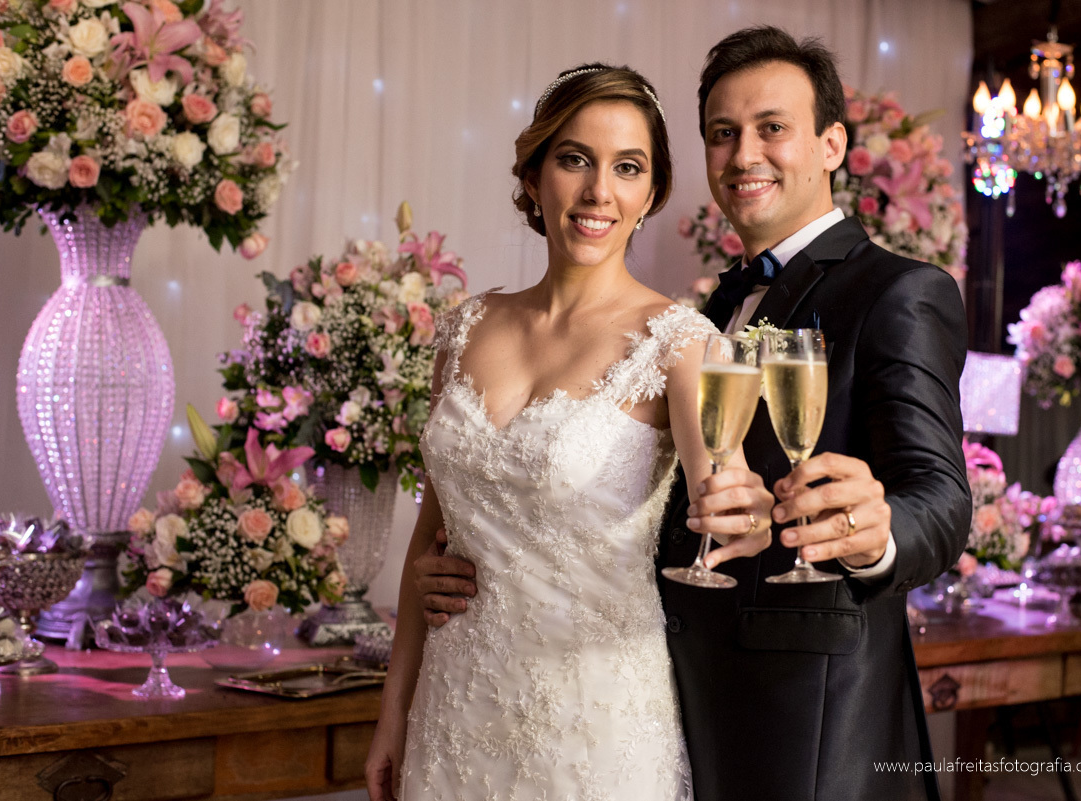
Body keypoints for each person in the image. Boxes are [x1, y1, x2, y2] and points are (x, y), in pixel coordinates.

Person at [415, 27, 971, 801]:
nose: (744, 154)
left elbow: (940, 497)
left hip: (808, 718)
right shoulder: (703, 310)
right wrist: (463, 556)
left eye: (772, 128)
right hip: (659, 690)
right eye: (723, 134)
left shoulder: (898, 292)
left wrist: (876, 534)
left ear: (832, 144)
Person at [363, 63, 774, 801]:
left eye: (627, 168)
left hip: (595, 728)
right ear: (533, 173)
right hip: (453, 713)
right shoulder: (464, 327)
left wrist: (752, 516)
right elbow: (432, 540)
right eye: (574, 158)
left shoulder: (682, 342)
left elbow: (731, 496)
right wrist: (393, 713)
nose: (597, 192)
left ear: (650, 193)